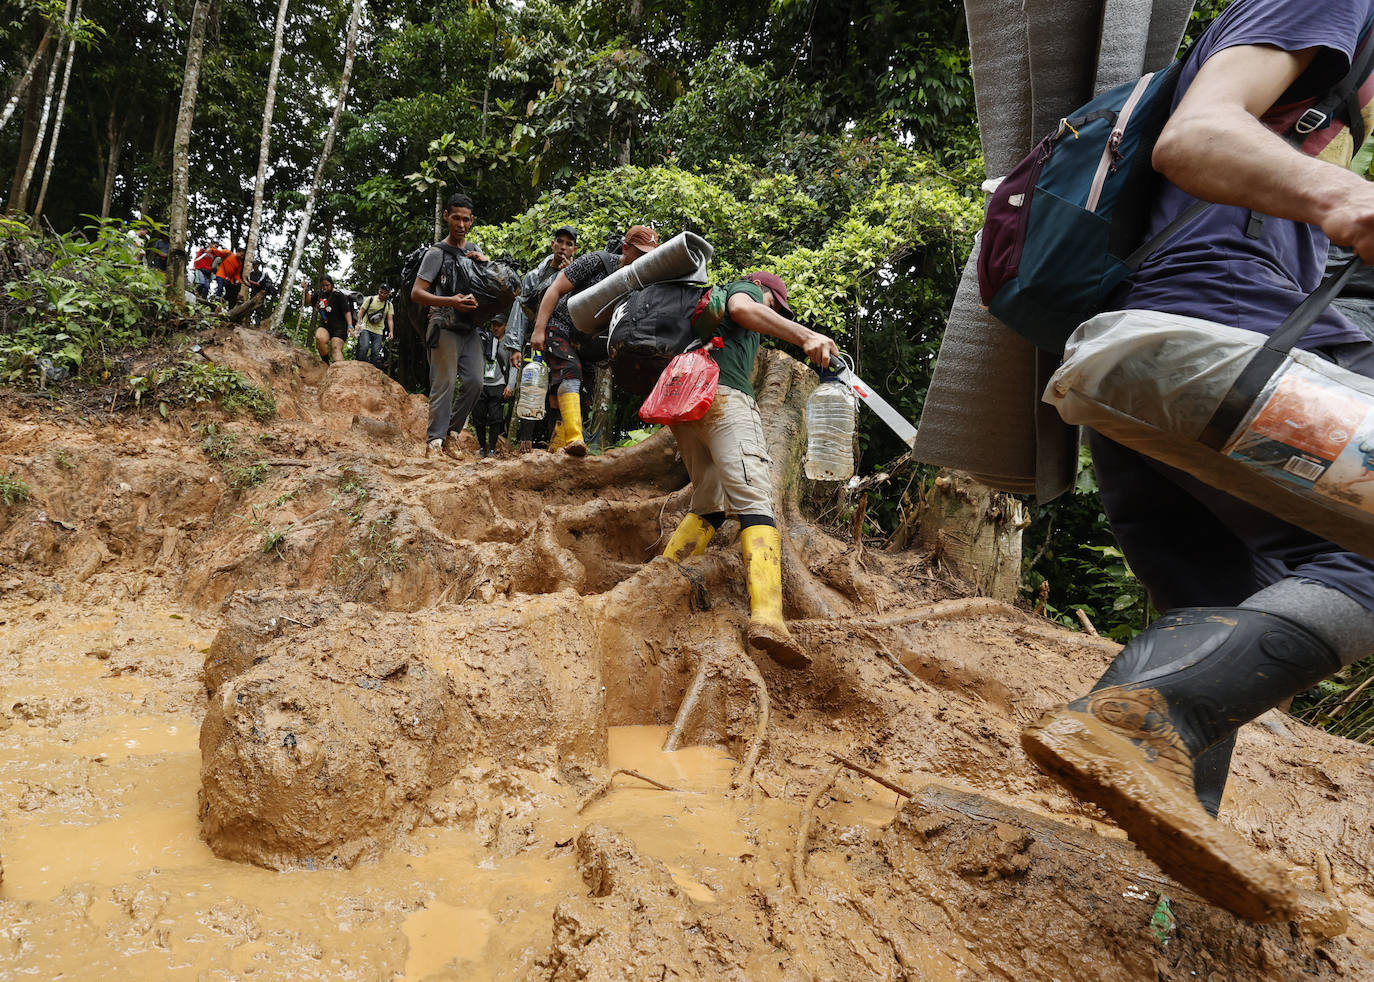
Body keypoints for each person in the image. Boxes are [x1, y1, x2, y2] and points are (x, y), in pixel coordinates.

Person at [1021, 0, 1374, 924]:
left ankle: (1164, 910)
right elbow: (1198, 135)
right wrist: (1346, 196)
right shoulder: (1332, 6)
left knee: (1216, 609)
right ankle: (1160, 714)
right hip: (1223, 346)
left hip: (1166, 373)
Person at [659, 271, 839, 671]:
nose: (771, 310)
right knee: (755, 499)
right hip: (723, 399)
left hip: (685, 401)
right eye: (776, 304)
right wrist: (805, 335)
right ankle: (769, 618)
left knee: (709, 501)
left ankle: (661, 581)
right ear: (770, 295)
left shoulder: (712, 315)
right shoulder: (745, 291)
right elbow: (743, 307)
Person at [530, 225, 660, 457]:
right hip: (560, 326)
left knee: (582, 396)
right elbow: (556, 288)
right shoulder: (596, 262)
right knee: (570, 373)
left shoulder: (642, 283)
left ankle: (557, 448)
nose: (643, 260)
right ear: (625, 248)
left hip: (588, 344)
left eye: (649, 257)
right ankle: (575, 440)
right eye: (639, 254)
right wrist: (539, 329)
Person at [412, 192, 491, 457]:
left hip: (470, 327)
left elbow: (489, 289)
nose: (461, 225)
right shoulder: (436, 253)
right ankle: (434, 442)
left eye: (466, 220)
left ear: (472, 221)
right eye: (456, 218)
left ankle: (451, 433)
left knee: (475, 382)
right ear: (446, 216)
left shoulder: (475, 251)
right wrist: (450, 301)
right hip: (443, 323)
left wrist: (486, 266)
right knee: (443, 383)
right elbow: (417, 292)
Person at [507, 224, 578, 452]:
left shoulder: (577, 274)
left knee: (558, 389)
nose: (563, 248)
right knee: (531, 387)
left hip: (563, 340)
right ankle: (525, 444)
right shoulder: (534, 276)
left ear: (574, 250)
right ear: (553, 244)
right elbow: (521, 308)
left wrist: (571, 279)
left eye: (569, 244)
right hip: (535, 340)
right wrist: (515, 346)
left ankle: (555, 443)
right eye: (560, 242)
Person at [474, 320, 514, 458]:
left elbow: (513, 364)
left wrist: (511, 385)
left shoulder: (509, 343)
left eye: (499, 325)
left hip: (498, 384)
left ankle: (491, 448)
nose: (496, 328)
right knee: (479, 417)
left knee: (495, 418)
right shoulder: (484, 339)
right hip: (481, 384)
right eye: (494, 325)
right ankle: (481, 447)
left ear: (505, 326)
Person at [307, 275, 354, 364]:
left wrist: (350, 326)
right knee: (319, 338)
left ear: (331, 284)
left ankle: (340, 371)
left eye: (327, 285)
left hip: (340, 327)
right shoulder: (320, 294)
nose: (325, 287)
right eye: (323, 285)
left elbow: (347, 312)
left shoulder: (339, 295)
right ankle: (325, 363)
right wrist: (306, 291)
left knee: (335, 348)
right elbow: (310, 302)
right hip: (325, 325)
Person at [355, 284, 395, 369]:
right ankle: (360, 367)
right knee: (364, 347)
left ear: (388, 294)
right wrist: (358, 323)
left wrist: (391, 331)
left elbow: (390, 319)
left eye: (385, 293)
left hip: (379, 330)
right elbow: (361, 311)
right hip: (366, 327)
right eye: (381, 292)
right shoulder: (370, 299)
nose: (382, 295)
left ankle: (372, 370)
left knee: (375, 352)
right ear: (378, 290)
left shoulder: (389, 305)